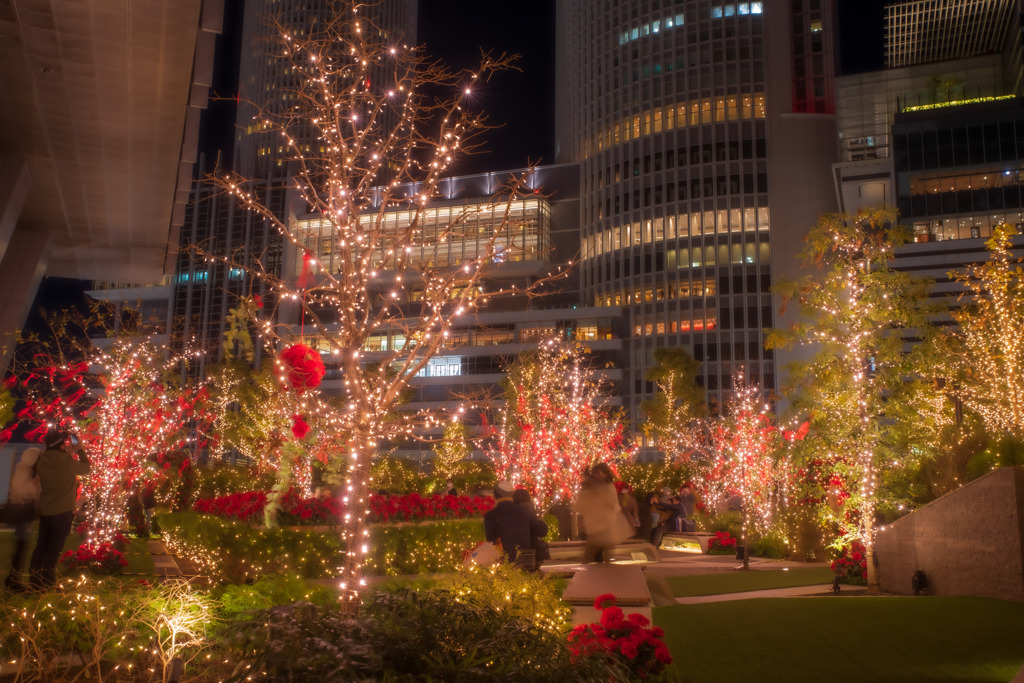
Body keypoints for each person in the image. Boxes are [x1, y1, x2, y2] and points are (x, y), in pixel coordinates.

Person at [29, 430, 91, 589]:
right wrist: (80, 450)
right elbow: (86, 468)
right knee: (53, 550)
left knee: (41, 547)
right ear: (62, 445)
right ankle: (47, 583)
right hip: (62, 513)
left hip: (46, 512)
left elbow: (58, 462)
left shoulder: (42, 461)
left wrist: (67, 452)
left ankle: (35, 580)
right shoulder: (67, 462)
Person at [484, 481, 547, 568]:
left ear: (495, 496)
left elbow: (490, 541)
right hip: (526, 562)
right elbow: (543, 531)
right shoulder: (525, 511)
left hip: (503, 564)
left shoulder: (490, 516)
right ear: (511, 494)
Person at [4, 447, 42, 591]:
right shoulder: (24, 471)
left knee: (21, 548)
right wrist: (34, 486)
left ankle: (13, 579)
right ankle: (13, 580)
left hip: (23, 514)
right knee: (21, 548)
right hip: (21, 514)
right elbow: (20, 490)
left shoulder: (25, 471)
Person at [577, 463, 630, 563]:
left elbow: (609, 505)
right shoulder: (591, 488)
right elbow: (581, 506)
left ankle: (606, 575)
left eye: (599, 473)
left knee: (602, 557)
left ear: (605, 474)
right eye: (596, 473)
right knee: (590, 556)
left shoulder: (608, 488)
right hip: (595, 529)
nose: (597, 476)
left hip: (605, 529)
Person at [513, 487, 550, 570]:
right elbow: (542, 531)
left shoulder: (509, 513)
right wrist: (539, 519)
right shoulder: (529, 512)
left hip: (511, 554)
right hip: (530, 555)